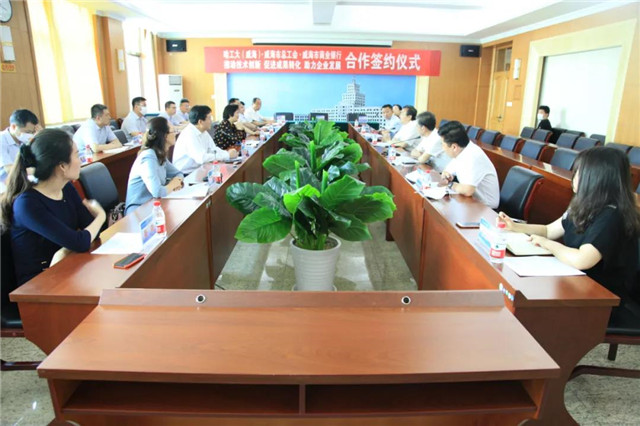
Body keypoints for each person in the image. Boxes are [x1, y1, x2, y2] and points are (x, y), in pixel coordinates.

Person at [498, 147, 640, 306]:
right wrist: (515, 227)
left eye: (579, 172)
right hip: (576, 282)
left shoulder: (612, 215)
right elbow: (548, 230)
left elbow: (582, 260)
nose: (574, 177)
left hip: (603, 299)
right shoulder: (584, 204)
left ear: (596, 177)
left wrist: (548, 244)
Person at [0, 129, 106, 285]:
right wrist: (101, 216)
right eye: (77, 155)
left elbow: (91, 232)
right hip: (38, 284)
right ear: (62, 166)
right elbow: (81, 241)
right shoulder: (27, 204)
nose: (81, 160)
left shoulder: (66, 188)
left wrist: (65, 249)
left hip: (66, 267)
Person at [125, 117, 184, 215]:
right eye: (173, 131)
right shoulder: (148, 157)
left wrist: (176, 181)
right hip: (139, 210)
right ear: (165, 136)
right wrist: (173, 184)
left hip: (155, 204)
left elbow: (178, 173)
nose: (175, 134)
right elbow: (157, 192)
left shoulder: (159, 153)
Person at [439, 121, 499, 209]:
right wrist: (446, 174)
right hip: (471, 201)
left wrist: (452, 185)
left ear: (454, 147)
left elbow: (467, 190)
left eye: (443, 145)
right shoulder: (463, 150)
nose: (442, 148)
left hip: (486, 208)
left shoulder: (473, 156)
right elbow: (448, 171)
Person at [172, 105, 238, 174]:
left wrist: (227, 154)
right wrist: (227, 155)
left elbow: (213, 149)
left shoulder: (203, 131)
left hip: (199, 169)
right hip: (186, 174)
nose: (211, 121)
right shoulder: (189, 134)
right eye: (209, 118)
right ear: (200, 122)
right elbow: (201, 158)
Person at [1, 109, 40, 184]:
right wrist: (35, 170)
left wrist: (40, 136)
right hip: (6, 184)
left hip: (23, 180)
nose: (30, 135)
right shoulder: (2, 140)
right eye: (27, 132)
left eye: (32, 132)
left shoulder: (24, 139)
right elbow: (9, 169)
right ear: (13, 127)